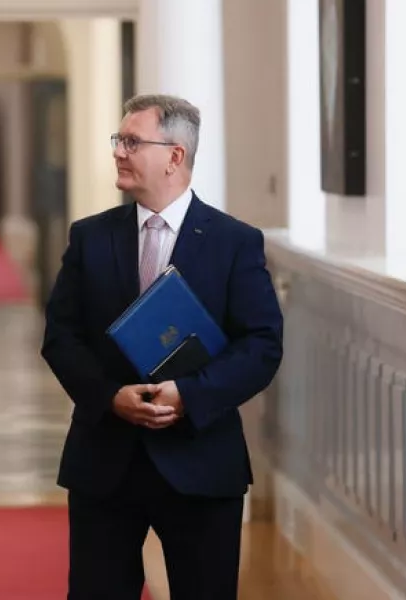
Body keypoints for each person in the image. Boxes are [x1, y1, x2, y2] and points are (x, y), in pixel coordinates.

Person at [41, 94, 283, 599]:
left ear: (175, 156)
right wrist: (110, 396)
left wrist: (189, 395)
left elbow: (261, 345)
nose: (119, 152)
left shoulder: (234, 241)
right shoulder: (89, 237)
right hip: (104, 460)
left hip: (201, 460)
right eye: (119, 140)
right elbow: (61, 338)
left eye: (132, 142)